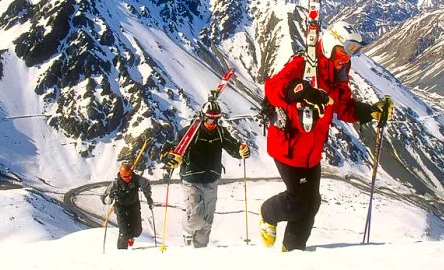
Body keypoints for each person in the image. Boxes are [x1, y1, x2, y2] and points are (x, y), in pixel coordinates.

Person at [259, 20, 394, 252]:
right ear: (332, 43)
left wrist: (370, 112)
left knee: (311, 204)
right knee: (298, 201)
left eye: (354, 51)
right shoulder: (303, 64)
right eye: (346, 49)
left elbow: (343, 106)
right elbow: (274, 88)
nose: (348, 56)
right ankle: (267, 214)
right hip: (289, 147)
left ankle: (292, 252)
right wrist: (302, 91)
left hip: (312, 150)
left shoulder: (339, 72)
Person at [163, 99, 250, 248]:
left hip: (211, 178)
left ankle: (201, 251)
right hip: (192, 178)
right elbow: (169, 148)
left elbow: (233, 147)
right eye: (210, 118)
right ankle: (187, 230)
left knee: (207, 220)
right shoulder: (190, 132)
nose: (213, 122)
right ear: (203, 117)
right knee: (196, 216)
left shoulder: (221, 132)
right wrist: (170, 157)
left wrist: (241, 151)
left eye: (216, 119)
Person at [101, 163, 154, 249]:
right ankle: (122, 251)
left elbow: (146, 185)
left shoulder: (136, 179)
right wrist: (108, 198)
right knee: (124, 233)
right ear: (121, 175)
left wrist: (149, 199)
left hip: (134, 206)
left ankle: (130, 236)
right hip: (120, 208)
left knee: (137, 231)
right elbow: (105, 196)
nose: (128, 178)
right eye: (125, 177)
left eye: (129, 175)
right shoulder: (116, 183)